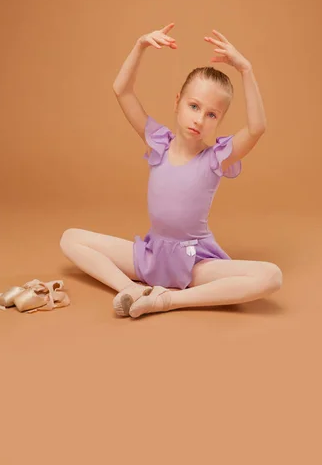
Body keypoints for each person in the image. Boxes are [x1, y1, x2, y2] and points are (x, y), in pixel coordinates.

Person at [60, 23, 282, 318]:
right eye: (194, 106)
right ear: (178, 103)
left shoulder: (215, 159)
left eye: (211, 114)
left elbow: (257, 128)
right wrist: (140, 46)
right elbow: (122, 90)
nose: (199, 119)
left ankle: (168, 300)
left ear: (220, 120)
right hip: (151, 257)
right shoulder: (159, 145)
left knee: (271, 276)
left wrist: (246, 69)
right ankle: (131, 289)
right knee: (70, 238)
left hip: (195, 264)